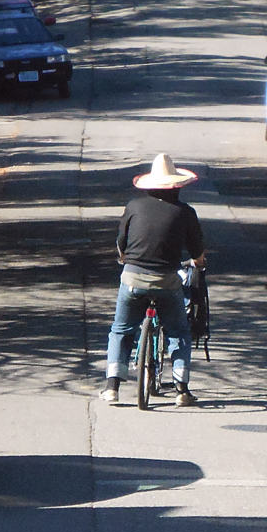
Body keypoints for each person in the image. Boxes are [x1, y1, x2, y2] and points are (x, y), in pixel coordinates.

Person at [102, 154, 206, 407]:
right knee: (179, 331)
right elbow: (197, 252)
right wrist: (199, 264)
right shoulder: (186, 213)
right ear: (177, 187)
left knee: (121, 329)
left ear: (149, 187)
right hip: (167, 280)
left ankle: (112, 388)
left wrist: (126, 258)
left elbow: (121, 244)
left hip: (132, 277)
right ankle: (182, 390)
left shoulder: (133, 207)